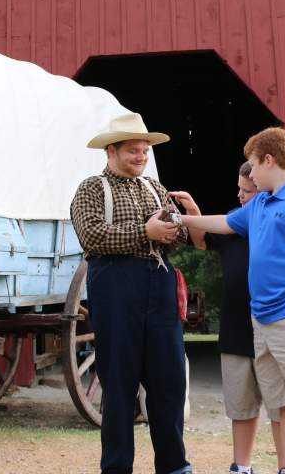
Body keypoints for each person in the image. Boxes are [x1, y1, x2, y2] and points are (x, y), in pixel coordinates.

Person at [177, 127, 285, 474]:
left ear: (269, 160)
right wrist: (182, 218)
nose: (250, 174)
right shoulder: (262, 204)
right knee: (284, 407)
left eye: (253, 165)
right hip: (262, 322)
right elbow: (223, 223)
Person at [70, 112, 192, 474]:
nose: (141, 157)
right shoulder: (92, 188)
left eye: (144, 151)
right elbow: (91, 235)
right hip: (116, 287)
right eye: (133, 151)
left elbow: (179, 235)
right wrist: (146, 232)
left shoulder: (155, 187)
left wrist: (174, 231)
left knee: (169, 382)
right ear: (112, 151)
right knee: (119, 384)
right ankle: (117, 467)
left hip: (159, 283)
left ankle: (174, 466)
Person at [171, 162, 285, 474]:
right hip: (236, 329)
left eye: (247, 190)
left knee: (280, 408)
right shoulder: (233, 224)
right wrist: (193, 211)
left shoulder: (282, 222)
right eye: (239, 188)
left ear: (264, 189)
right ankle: (242, 467)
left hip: (275, 328)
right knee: (241, 407)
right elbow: (199, 240)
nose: (240, 194)